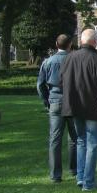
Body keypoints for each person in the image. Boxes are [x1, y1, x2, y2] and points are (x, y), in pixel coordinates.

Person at [61, 29, 97, 191]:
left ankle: (81, 177)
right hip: (92, 108)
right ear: (95, 42)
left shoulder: (69, 58)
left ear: (81, 41)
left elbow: (61, 81)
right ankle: (88, 181)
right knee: (92, 144)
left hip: (74, 106)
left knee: (81, 141)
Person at [36, 34, 77, 182]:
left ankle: (55, 174)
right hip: (72, 102)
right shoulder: (75, 60)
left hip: (55, 100)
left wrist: (47, 101)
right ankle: (74, 169)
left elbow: (40, 85)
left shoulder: (48, 61)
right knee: (74, 138)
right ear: (70, 44)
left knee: (55, 139)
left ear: (56, 44)